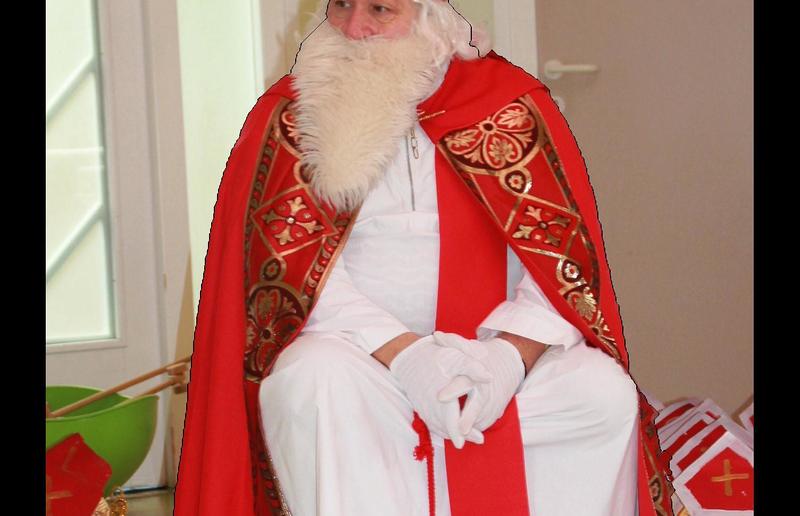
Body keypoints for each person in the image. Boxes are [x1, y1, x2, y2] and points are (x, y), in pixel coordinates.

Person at [174, 1, 674, 515]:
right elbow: (288, 274)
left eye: (380, 9)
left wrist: (506, 359)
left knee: (600, 394)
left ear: (431, 12)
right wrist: (408, 357)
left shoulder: (512, 106)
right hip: (360, 356)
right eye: (341, 4)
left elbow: (560, 266)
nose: (354, 28)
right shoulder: (293, 115)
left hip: (493, 351)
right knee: (312, 383)